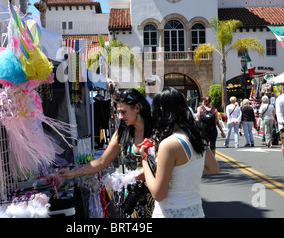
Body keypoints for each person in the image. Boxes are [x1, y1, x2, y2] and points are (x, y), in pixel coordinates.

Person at [58, 88, 154, 217]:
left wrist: (148, 173)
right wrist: (74, 173)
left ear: (137, 108)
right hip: (132, 199)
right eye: (118, 112)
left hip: (155, 196)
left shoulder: (156, 132)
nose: (120, 116)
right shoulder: (122, 133)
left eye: (123, 112)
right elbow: (102, 161)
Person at [140, 87, 219, 218]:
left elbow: (158, 194)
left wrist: (144, 159)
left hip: (170, 212)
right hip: (195, 211)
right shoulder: (197, 137)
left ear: (161, 110)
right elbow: (213, 168)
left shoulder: (169, 144)